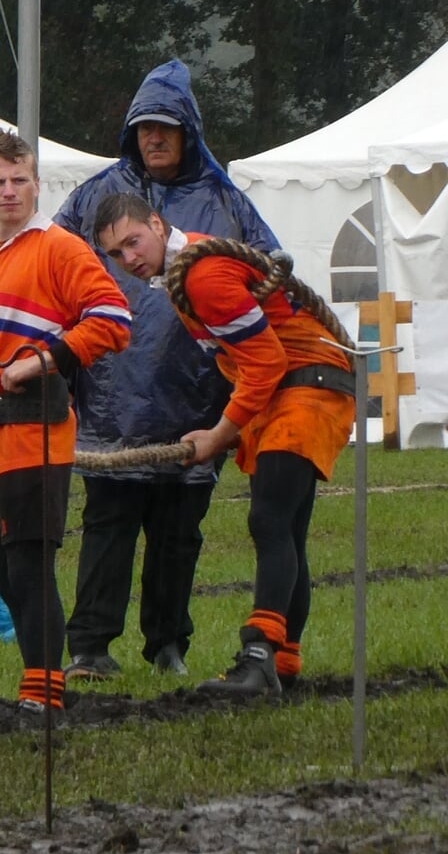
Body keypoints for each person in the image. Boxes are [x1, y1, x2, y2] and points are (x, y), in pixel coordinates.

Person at [53, 58, 280, 680]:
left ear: (188, 132)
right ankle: (91, 647)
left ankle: (168, 644)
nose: (154, 139)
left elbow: (272, 272)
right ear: (130, 133)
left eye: (166, 128)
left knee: (179, 534)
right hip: (110, 397)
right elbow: (50, 273)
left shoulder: (225, 200)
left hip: (195, 396)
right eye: (144, 128)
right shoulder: (93, 197)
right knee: (108, 526)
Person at [95, 193, 353, 697]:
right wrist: (231, 427)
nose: (129, 259)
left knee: (270, 520)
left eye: (133, 241)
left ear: (157, 224)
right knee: (288, 531)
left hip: (306, 387)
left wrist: (218, 435)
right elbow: (250, 364)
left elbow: (265, 363)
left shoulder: (200, 277)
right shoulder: (183, 277)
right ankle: (284, 662)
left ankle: (259, 657)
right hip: (301, 386)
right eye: (116, 254)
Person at [0, 131, 129, 717]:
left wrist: (43, 358)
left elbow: (112, 319)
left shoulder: (61, 248)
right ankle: (40, 684)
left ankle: (43, 696)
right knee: (8, 575)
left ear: (38, 185)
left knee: (29, 568)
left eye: (20, 180)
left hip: (38, 431)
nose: (9, 192)